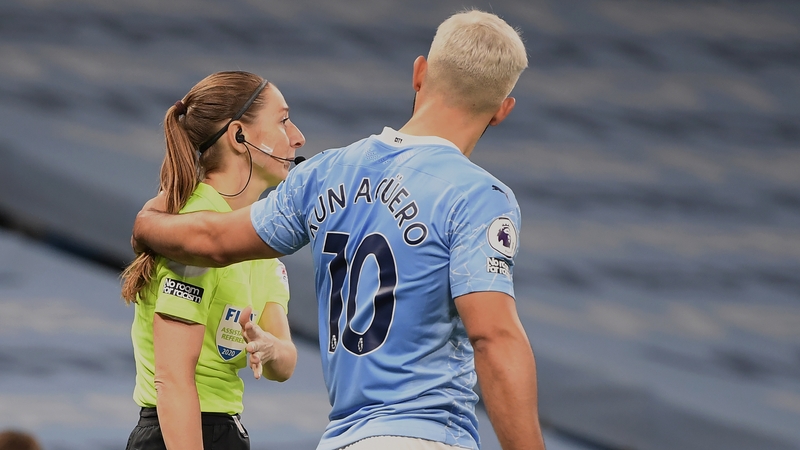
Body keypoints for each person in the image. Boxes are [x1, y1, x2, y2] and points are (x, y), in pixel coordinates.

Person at [132, 10, 545, 450]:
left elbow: (211, 242)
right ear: (502, 111)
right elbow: (494, 336)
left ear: (419, 73)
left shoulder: (326, 172)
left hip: (343, 439)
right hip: (428, 435)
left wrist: (146, 224)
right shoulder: (478, 196)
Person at [120, 71, 305, 450]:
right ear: (240, 135)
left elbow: (284, 364)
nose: (298, 137)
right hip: (178, 433)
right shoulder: (193, 236)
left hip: (226, 430)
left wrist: (270, 348)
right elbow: (172, 381)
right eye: (283, 120)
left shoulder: (256, 236)